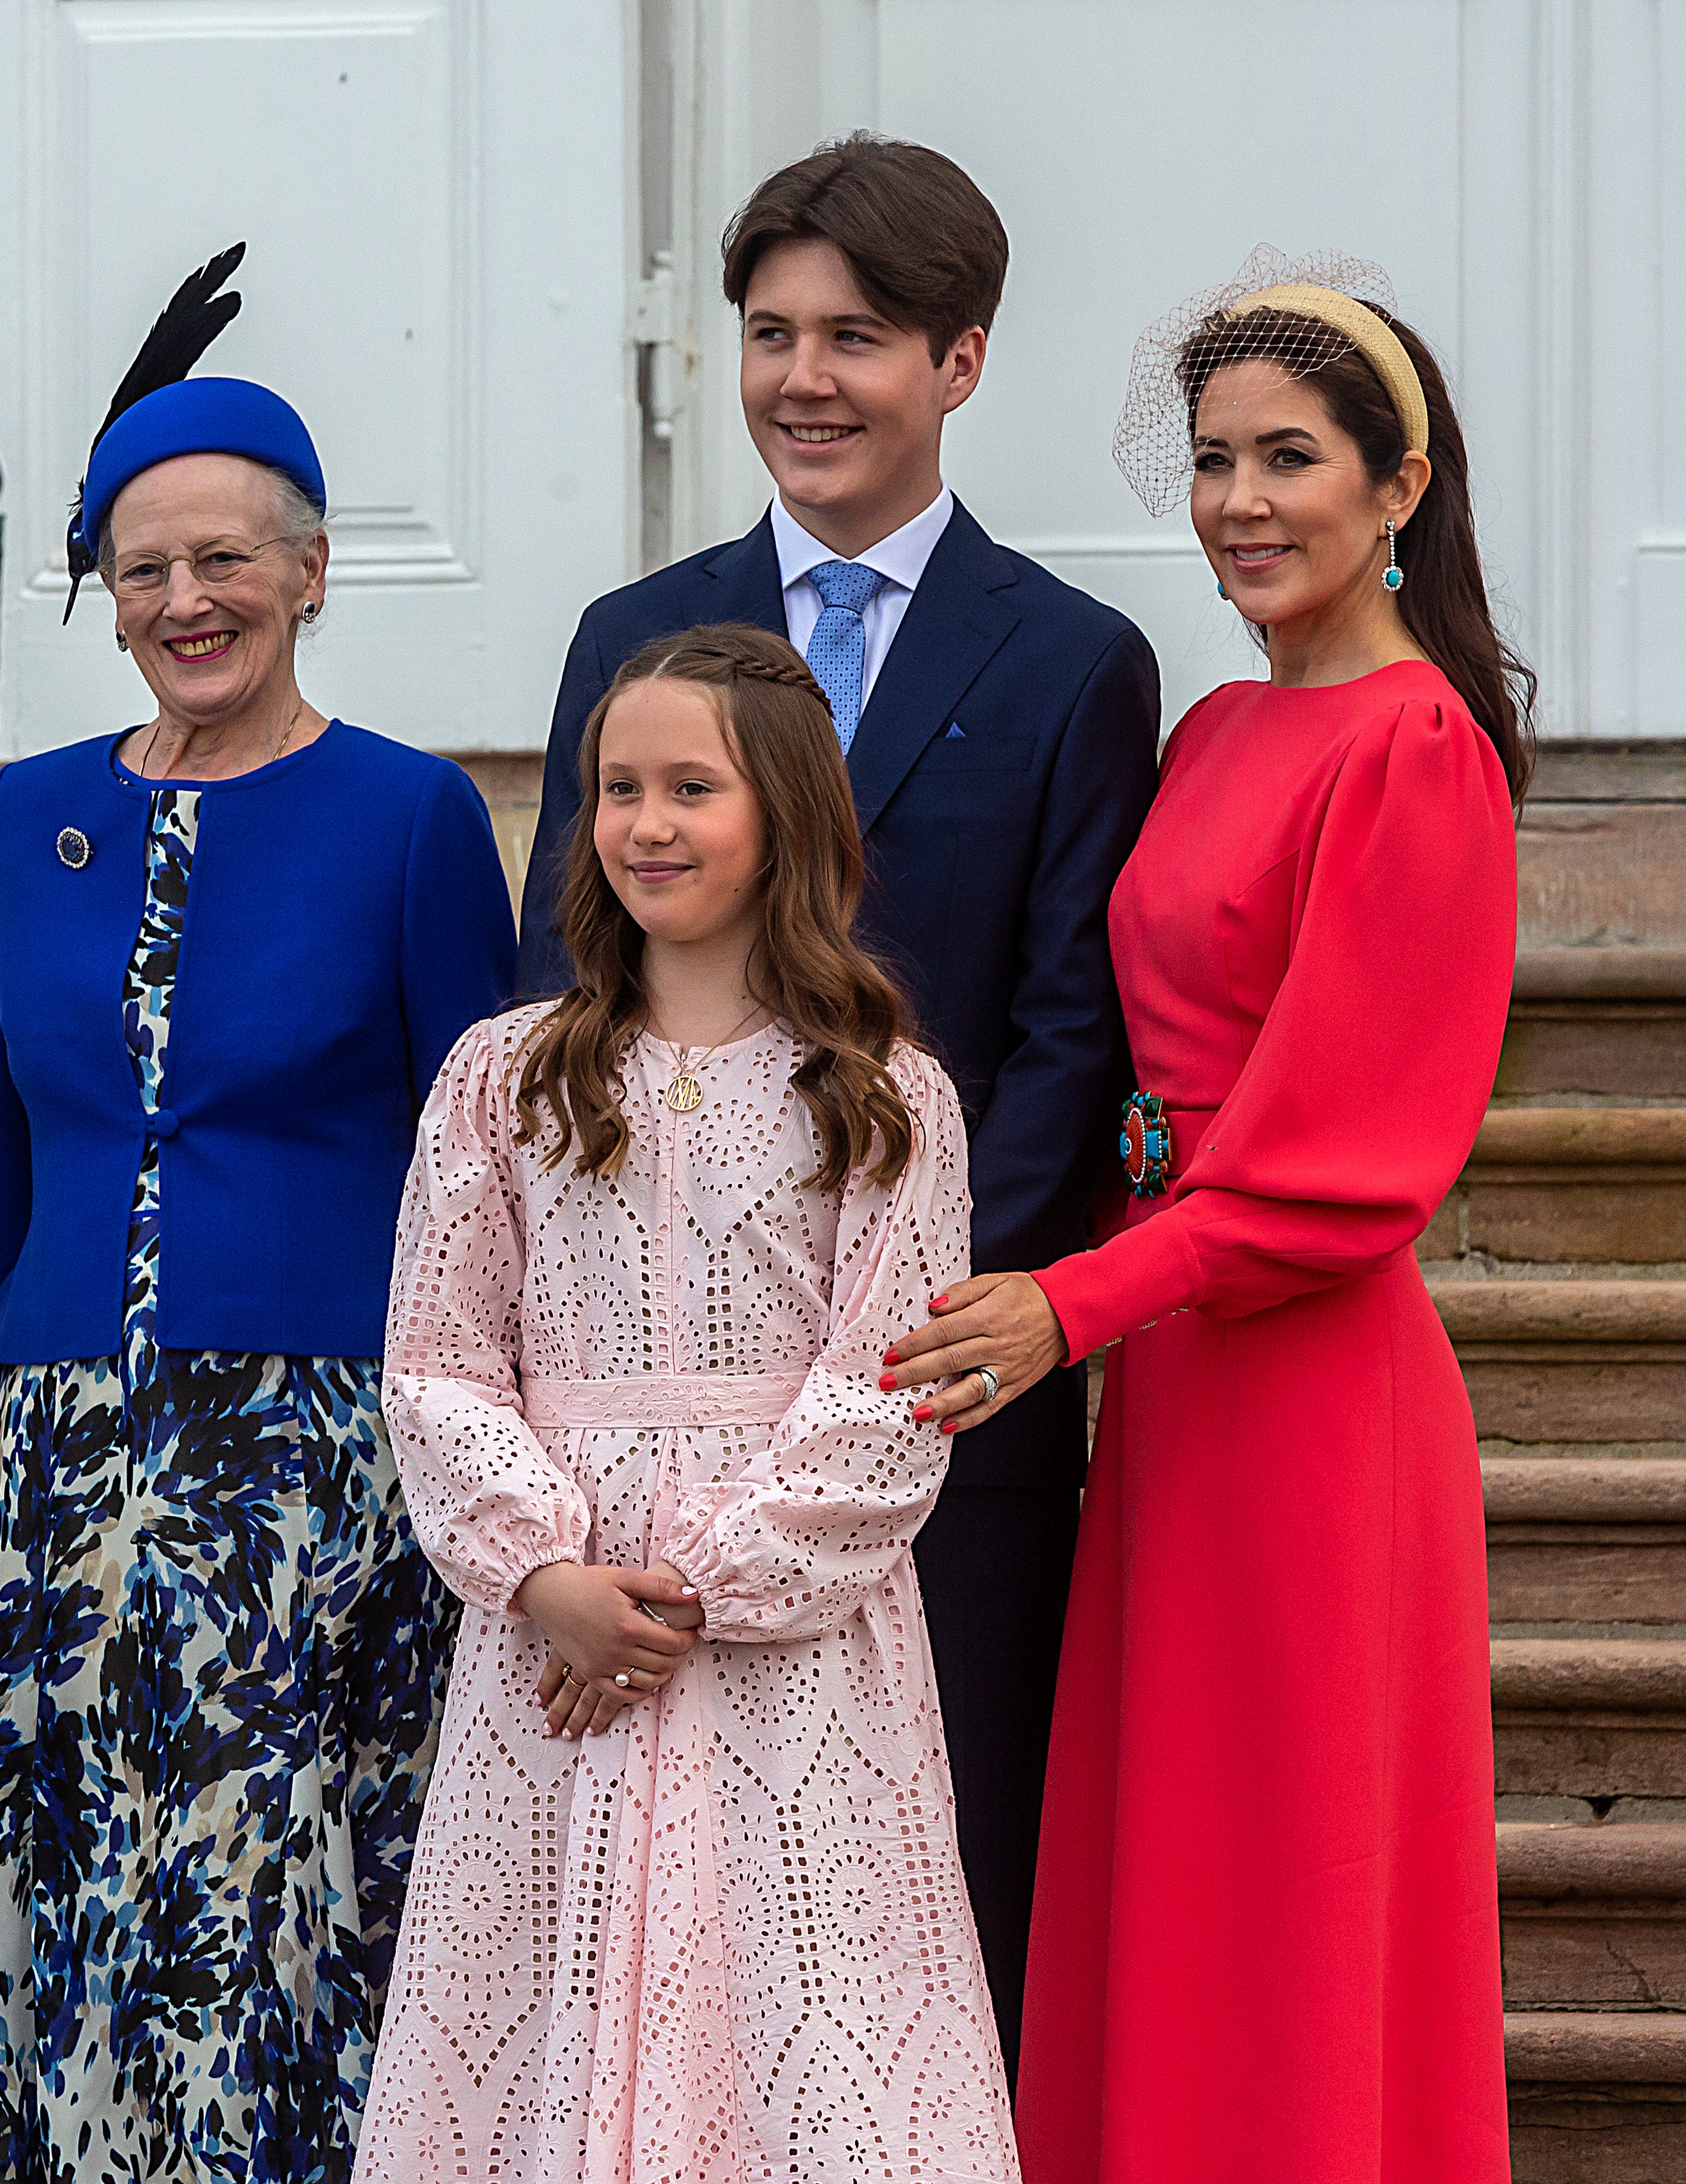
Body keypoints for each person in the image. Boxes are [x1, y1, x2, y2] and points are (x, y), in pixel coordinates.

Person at [511, 137, 1157, 2061]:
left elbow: (1065, 1033)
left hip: (923, 1402)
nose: (803, 378)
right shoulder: (635, 630)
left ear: (957, 361)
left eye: (856, 337)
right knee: (644, 1935)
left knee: (907, 1916)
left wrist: (914, 1345)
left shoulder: (1069, 660)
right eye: (770, 333)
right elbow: (564, 991)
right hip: (638, 1415)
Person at [887, 250, 1527, 2181]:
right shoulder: (1218, 732)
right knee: (1169, 1860)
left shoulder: (1415, 749)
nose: (1241, 499)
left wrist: (1070, 1303)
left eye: (1292, 458)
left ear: (1399, 486)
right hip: (1165, 1370)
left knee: (1284, 1875)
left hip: (1307, 1388)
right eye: (1211, 459)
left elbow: (1344, 1168)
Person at [0, 245, 518, 2183]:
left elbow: (480, 1142)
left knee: (272, 1877)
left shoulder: (410, 812)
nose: (186, 600)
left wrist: (487, 1410)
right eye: (145, 567)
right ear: (105, 594)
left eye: (226, 560)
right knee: (68, 1851)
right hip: (72, 1428)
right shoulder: (30, 811)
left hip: (316, 1440)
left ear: (313, 569)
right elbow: (7, 1117)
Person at [353, 624, 1015, 2181]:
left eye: (689, 788)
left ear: (782, 812)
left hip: (792, 1656)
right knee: (543, 2003)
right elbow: (438, 1358)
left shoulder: (880, 1091)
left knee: (796, 2006)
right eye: (615, 788)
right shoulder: (502, 1077)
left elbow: (885, 1393)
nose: (646, 823)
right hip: (557, 1634)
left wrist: (688, 1597)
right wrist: (547, 1573)